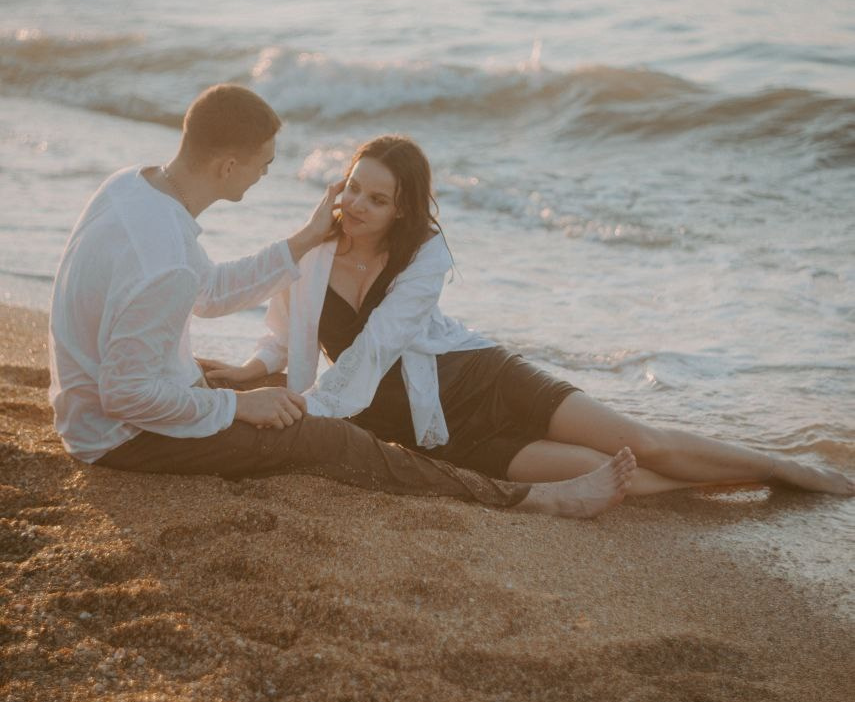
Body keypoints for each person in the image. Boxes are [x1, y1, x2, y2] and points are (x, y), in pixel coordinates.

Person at [48, 85, 636, 520]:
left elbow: (207, 293)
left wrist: (304, 240)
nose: (265, 174)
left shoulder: (133, 186)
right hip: (120, 436)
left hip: (95, 399)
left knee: (255, 386)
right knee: (328, 439)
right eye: (264, 162)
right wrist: (237, 408)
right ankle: (532, 499)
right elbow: (125, 395)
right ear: (229, 163)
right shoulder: (166, 264)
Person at [205, 134, 855, 501]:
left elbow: (373, 352)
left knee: (639, 441)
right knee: (614, 477)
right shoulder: (310, 252)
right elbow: (281, 327)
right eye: (351, 188)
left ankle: (783, 467)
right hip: (437, 434)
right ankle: (747, 480)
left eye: (377, 197)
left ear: (403, 210)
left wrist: (303, 413)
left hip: (483, 380)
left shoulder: (425, 254)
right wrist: (251, 369)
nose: (357, 204)